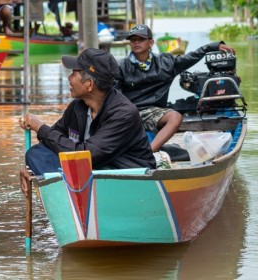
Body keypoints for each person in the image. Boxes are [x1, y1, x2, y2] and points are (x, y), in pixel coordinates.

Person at [18, 48, 155, 188]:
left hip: (124, 175)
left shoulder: (124, 113)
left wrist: (40, 127)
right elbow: (53, 141)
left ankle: (72, 194)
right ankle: (69, 196)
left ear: (89, 84)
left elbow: (87, 154)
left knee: (78, 160)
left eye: (74, 74)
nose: (69, 78)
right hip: (92, 170)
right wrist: (30, 168)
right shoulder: (78, 106)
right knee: (36, 154)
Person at [116, 24, 235, 153]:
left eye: (141, 39)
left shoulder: (165, 62)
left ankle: (148, 153)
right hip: (130, 112)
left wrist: (212, 46)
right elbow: (115, 95)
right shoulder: (121, 66)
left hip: (154, 112)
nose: (136, 43)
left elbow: (191, 57)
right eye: (133, 40)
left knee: (175, 117)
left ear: (150, 42)